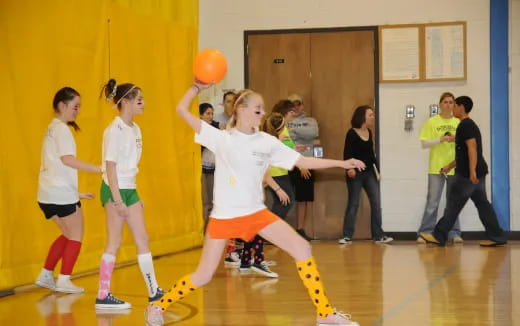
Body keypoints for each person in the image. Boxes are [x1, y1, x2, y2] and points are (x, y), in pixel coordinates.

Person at [145, 82, 365, 326]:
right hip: (224, 217)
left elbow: (303, 161)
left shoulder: (266, 142)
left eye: (262, 110)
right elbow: (181, 110)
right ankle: (157, 306)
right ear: (241, 110)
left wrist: (342, 163)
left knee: (302, 249)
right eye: (258, 109)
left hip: (255, 213)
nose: (262, 114)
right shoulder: (221, 138)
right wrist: (196, 88)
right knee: (204, 275)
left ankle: (325, 314)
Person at [95, 79, 164, 310]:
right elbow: (111, 167)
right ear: (125, 102)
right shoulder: (114, 130)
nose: (143, 103)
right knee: (114, 242)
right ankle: (103, 295)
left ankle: (154, 291)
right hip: (115, 189)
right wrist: (117, 199)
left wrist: (133, 195)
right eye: (139, 100)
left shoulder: (135, 128)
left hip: (129, 189)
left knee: (142, 238)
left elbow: (128, 166)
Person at [35, 87, 102, 293]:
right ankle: (64, 280)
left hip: (46, 194)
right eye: (75, 106)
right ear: (62, 105)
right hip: (60, 194)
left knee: (67, 232)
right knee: (76, 234)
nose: (78, 111)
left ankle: (46, 274)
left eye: (79, 107)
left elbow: (55, 164)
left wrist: (76, 193)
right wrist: (99, 169)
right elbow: (67, 160)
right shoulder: (62, 129)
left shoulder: (51, 128)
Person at [420, 96, 507, 247]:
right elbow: (463, 152)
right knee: (482, 204)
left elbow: (472, 148)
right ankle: (497, 236)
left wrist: (472, 171)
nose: (452, 108)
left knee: (453, 204)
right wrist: (450, 166)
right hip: (476, 172)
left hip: (469, 175)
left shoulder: (465, 125)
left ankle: (439, 235)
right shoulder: (465, 125)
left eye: (455, 105)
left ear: (461, 107)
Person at [339, 105, 393, 245]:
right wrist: (349, 169)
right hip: (355, 174)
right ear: (362, 116)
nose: (372, 117)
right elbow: (347, 153)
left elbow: (371, 155)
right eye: (370, 115)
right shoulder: (351, 133)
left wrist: (378, 171)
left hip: (369, 173)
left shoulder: (369, 132)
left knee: (376, 203)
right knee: (354, 203)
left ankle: (378, 235)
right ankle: (346, 235)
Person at [417, 92, 463, 244]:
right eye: (445, 102)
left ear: (454, 105)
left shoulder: (459, 122)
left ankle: (454, 232)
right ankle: (425, 232)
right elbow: (424, 143)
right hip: (436, 167)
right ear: (440, 104)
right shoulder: (432, 122)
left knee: (453, 202)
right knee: (433, 202)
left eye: (451, 102)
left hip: (454, 168)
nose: (448, 105)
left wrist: (456, 139)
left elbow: (466, 144)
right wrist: (441, 139)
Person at [287, 94, 319, 240]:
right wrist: (301, 132)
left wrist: (293, 129)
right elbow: (283, 137)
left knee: (303, 198)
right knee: (284, 197)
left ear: (302, 105)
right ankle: (280, 231)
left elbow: (313, 133)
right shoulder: (283, 120)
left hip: (306, 162)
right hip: (287, 163)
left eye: (298, 103)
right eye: (292, 103)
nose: (295, 106)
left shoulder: (310, 121)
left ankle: (300, 229)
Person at [199, 103, 219, 229]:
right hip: (200, 170)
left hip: (213, 169)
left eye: (212, 113)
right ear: (200, 115)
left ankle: (210, 231)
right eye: (207, 113)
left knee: (212, 201)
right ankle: (202, 231)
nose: (210, 116)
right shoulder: (197, 129)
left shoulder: (215, 128)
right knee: (204, 202)